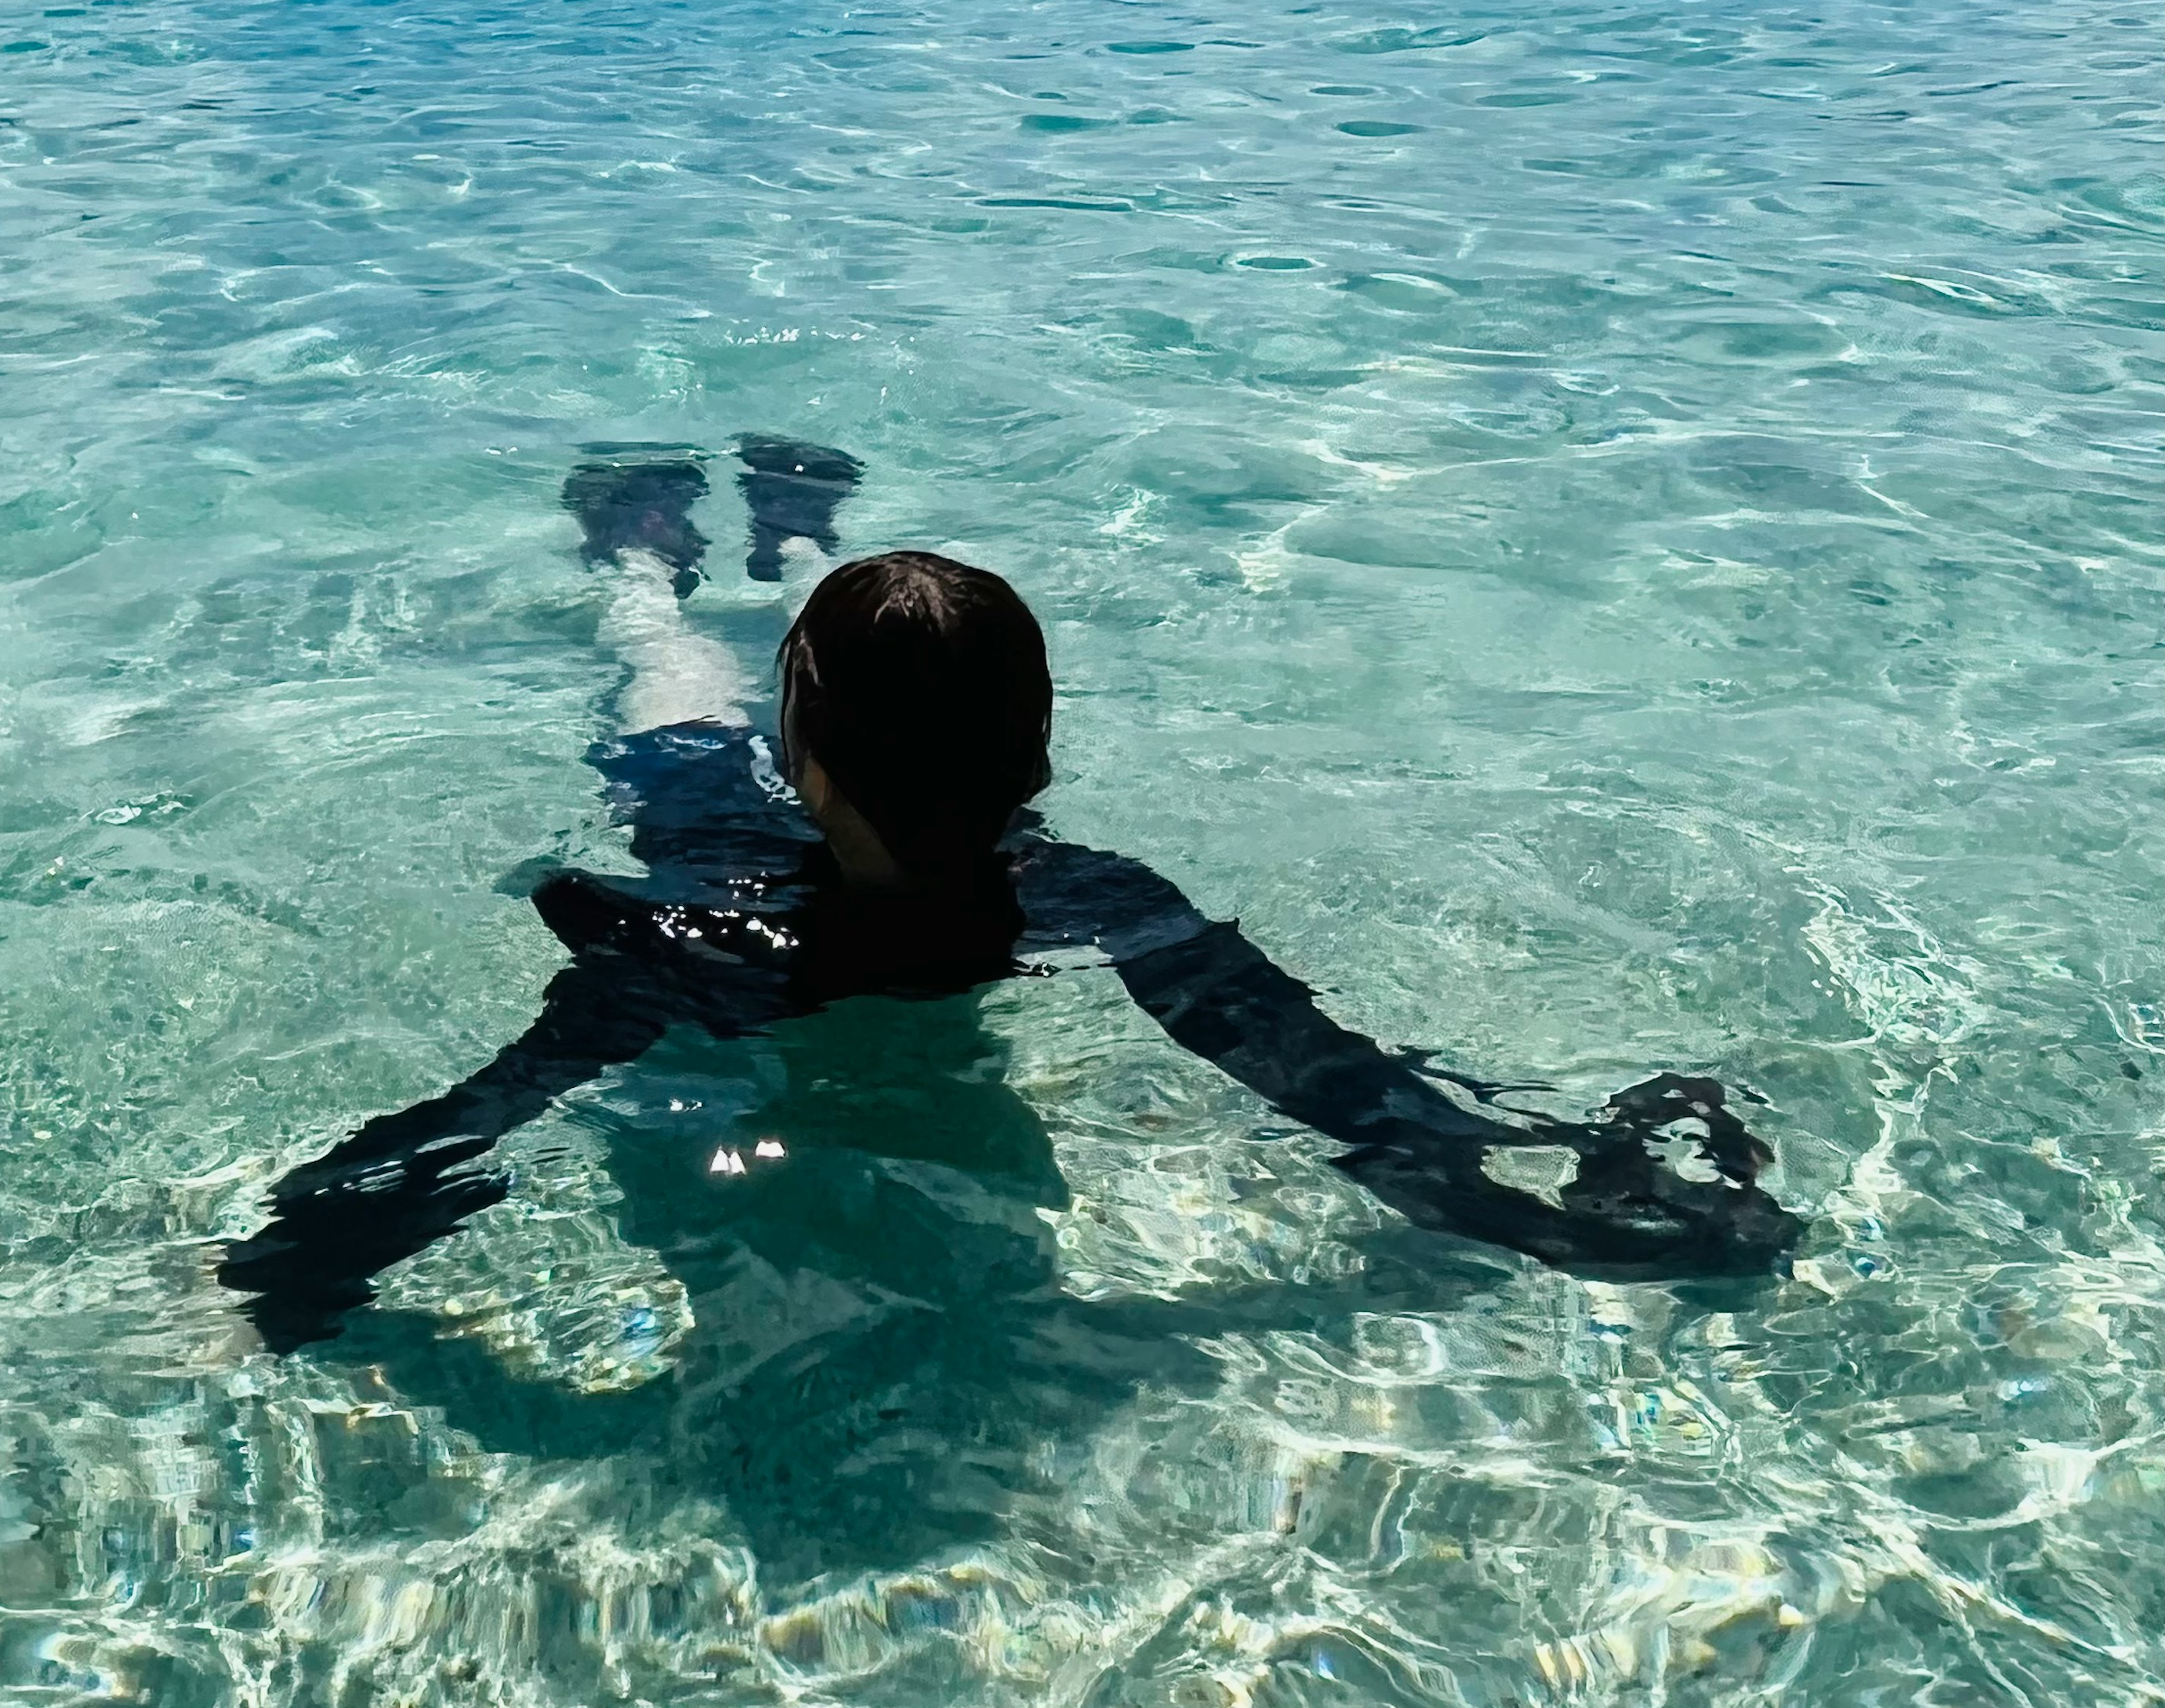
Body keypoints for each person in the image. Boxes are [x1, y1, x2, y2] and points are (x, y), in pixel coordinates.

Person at [220, 448, 1797, 1351]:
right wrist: (1557, 1222)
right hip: (822, 785)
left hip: (703, 803)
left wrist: (313, 1245)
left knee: (661, 667)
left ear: (805, 757)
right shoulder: (1098, 899)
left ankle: (659, 546)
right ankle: (790, 539)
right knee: (682, 666)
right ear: (1038, 752)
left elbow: (482, 1109)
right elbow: (1347, 1093)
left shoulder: (692, 950)